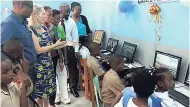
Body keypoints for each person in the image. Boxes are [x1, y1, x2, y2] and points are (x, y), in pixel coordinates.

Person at [28, 4, 67, 107]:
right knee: (40, 94)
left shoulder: (43, 27)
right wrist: (55, 45)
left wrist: (58, 45)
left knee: (47, 92)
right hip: (40, 67)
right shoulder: (31, 30)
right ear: (35, 15)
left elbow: (49, 46)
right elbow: (38, 50)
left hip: (49, 65)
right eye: (43, 14)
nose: (45, 16)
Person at [1, 0, 37, 82]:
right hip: (21, 72)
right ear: (21, 5)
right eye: (31, 7)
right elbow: (1, 52)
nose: (32, 10)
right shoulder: (9, 24)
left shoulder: (22, 23)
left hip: (31, 69)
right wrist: (17, 70)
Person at [50, 9, 71, 105]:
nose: (59, 20)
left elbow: (63, 43)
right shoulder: (49, 28)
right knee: (54, 78)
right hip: (52, 57)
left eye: (59, 18)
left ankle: (65, 98)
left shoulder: (60, 27)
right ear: (51, 18)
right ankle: (56, 98)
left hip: (59, 55)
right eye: (56, 18)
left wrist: (64, 58)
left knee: (62, 76)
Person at [59, 3, 80, 98]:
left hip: (70, 48)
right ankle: (61, 91)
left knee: (73, 70)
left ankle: (73, 88)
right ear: (61, 11)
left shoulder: (72, 22)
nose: (68, 13)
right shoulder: (56, 22)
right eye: (66, 11)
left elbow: (75, 37)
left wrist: (76, 50)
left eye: (69, 11)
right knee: (61, 70)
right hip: (59, 48)